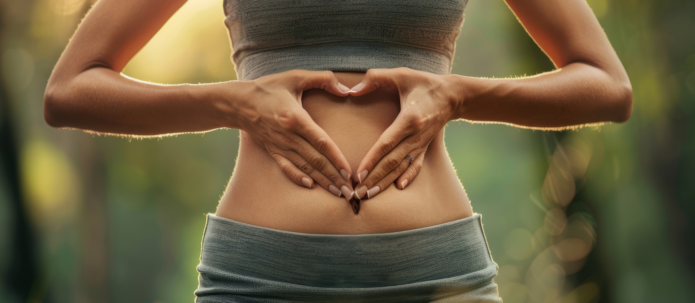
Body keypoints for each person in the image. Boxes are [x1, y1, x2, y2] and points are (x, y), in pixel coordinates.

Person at [43, 0, 632, 301]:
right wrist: (235, 102)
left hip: (436, 277)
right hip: (261, 278)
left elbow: (606, 84)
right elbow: (72, 89)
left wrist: (457, 95)